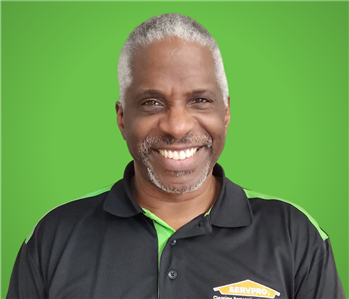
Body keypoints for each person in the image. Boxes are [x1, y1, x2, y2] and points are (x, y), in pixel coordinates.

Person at [7, 13, 345, 299]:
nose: (177, 126)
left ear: (225, 112)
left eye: (200, 100)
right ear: (122, 117)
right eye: (152, 102)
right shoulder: (53, 237)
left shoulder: (295, 235)